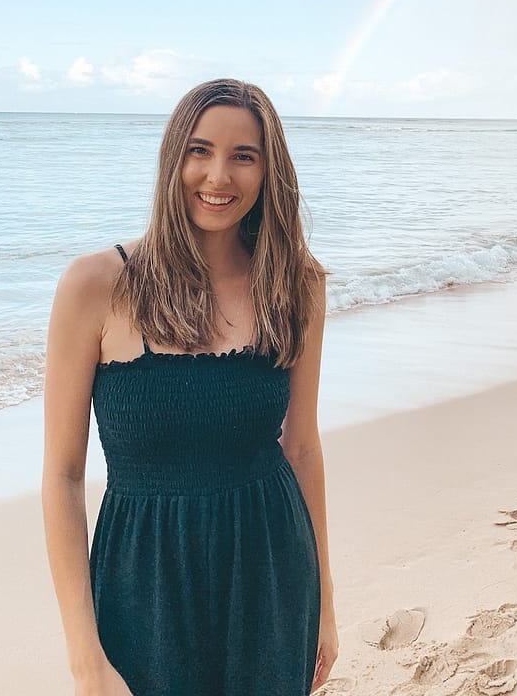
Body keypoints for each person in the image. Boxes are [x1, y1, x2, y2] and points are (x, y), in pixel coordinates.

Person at [41, 78, 338, 696]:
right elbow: (63, 476)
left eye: (243, 155)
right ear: (173, 158)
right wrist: (83, 657)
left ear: (268, 170)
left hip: (272, 574)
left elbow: (303, 449)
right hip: (140, 585)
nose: (218, 176)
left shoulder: (298, 284)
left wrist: (325, 606)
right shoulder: (94, 286)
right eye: (199, 150)